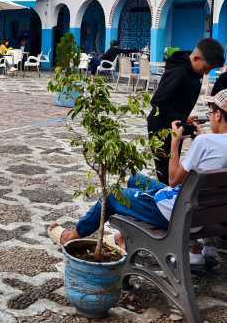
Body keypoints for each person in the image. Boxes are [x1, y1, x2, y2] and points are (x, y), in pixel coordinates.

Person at [49, 89, 227, 266]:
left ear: (218, 114)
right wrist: (205, 137)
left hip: (178, 213)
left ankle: (71, 236)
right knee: (135, 180)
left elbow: (173, 179)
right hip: (203, 213)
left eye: (211, 112)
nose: (210, 117)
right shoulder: (208, 142)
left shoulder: (204, 143)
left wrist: (175, 142)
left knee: (112, 195)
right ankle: (123, 237)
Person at [148, 38, 225, 184]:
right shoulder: (179, 72)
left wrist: (185, 118)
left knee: (174, 165)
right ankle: (164, 201)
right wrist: (180, 117)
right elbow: (158, 102)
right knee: (165, 174)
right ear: (196, 58)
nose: (206, 72)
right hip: (161, 126)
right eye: (206, 68)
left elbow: (177, 100)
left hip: (175, 124)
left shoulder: (194, 70)